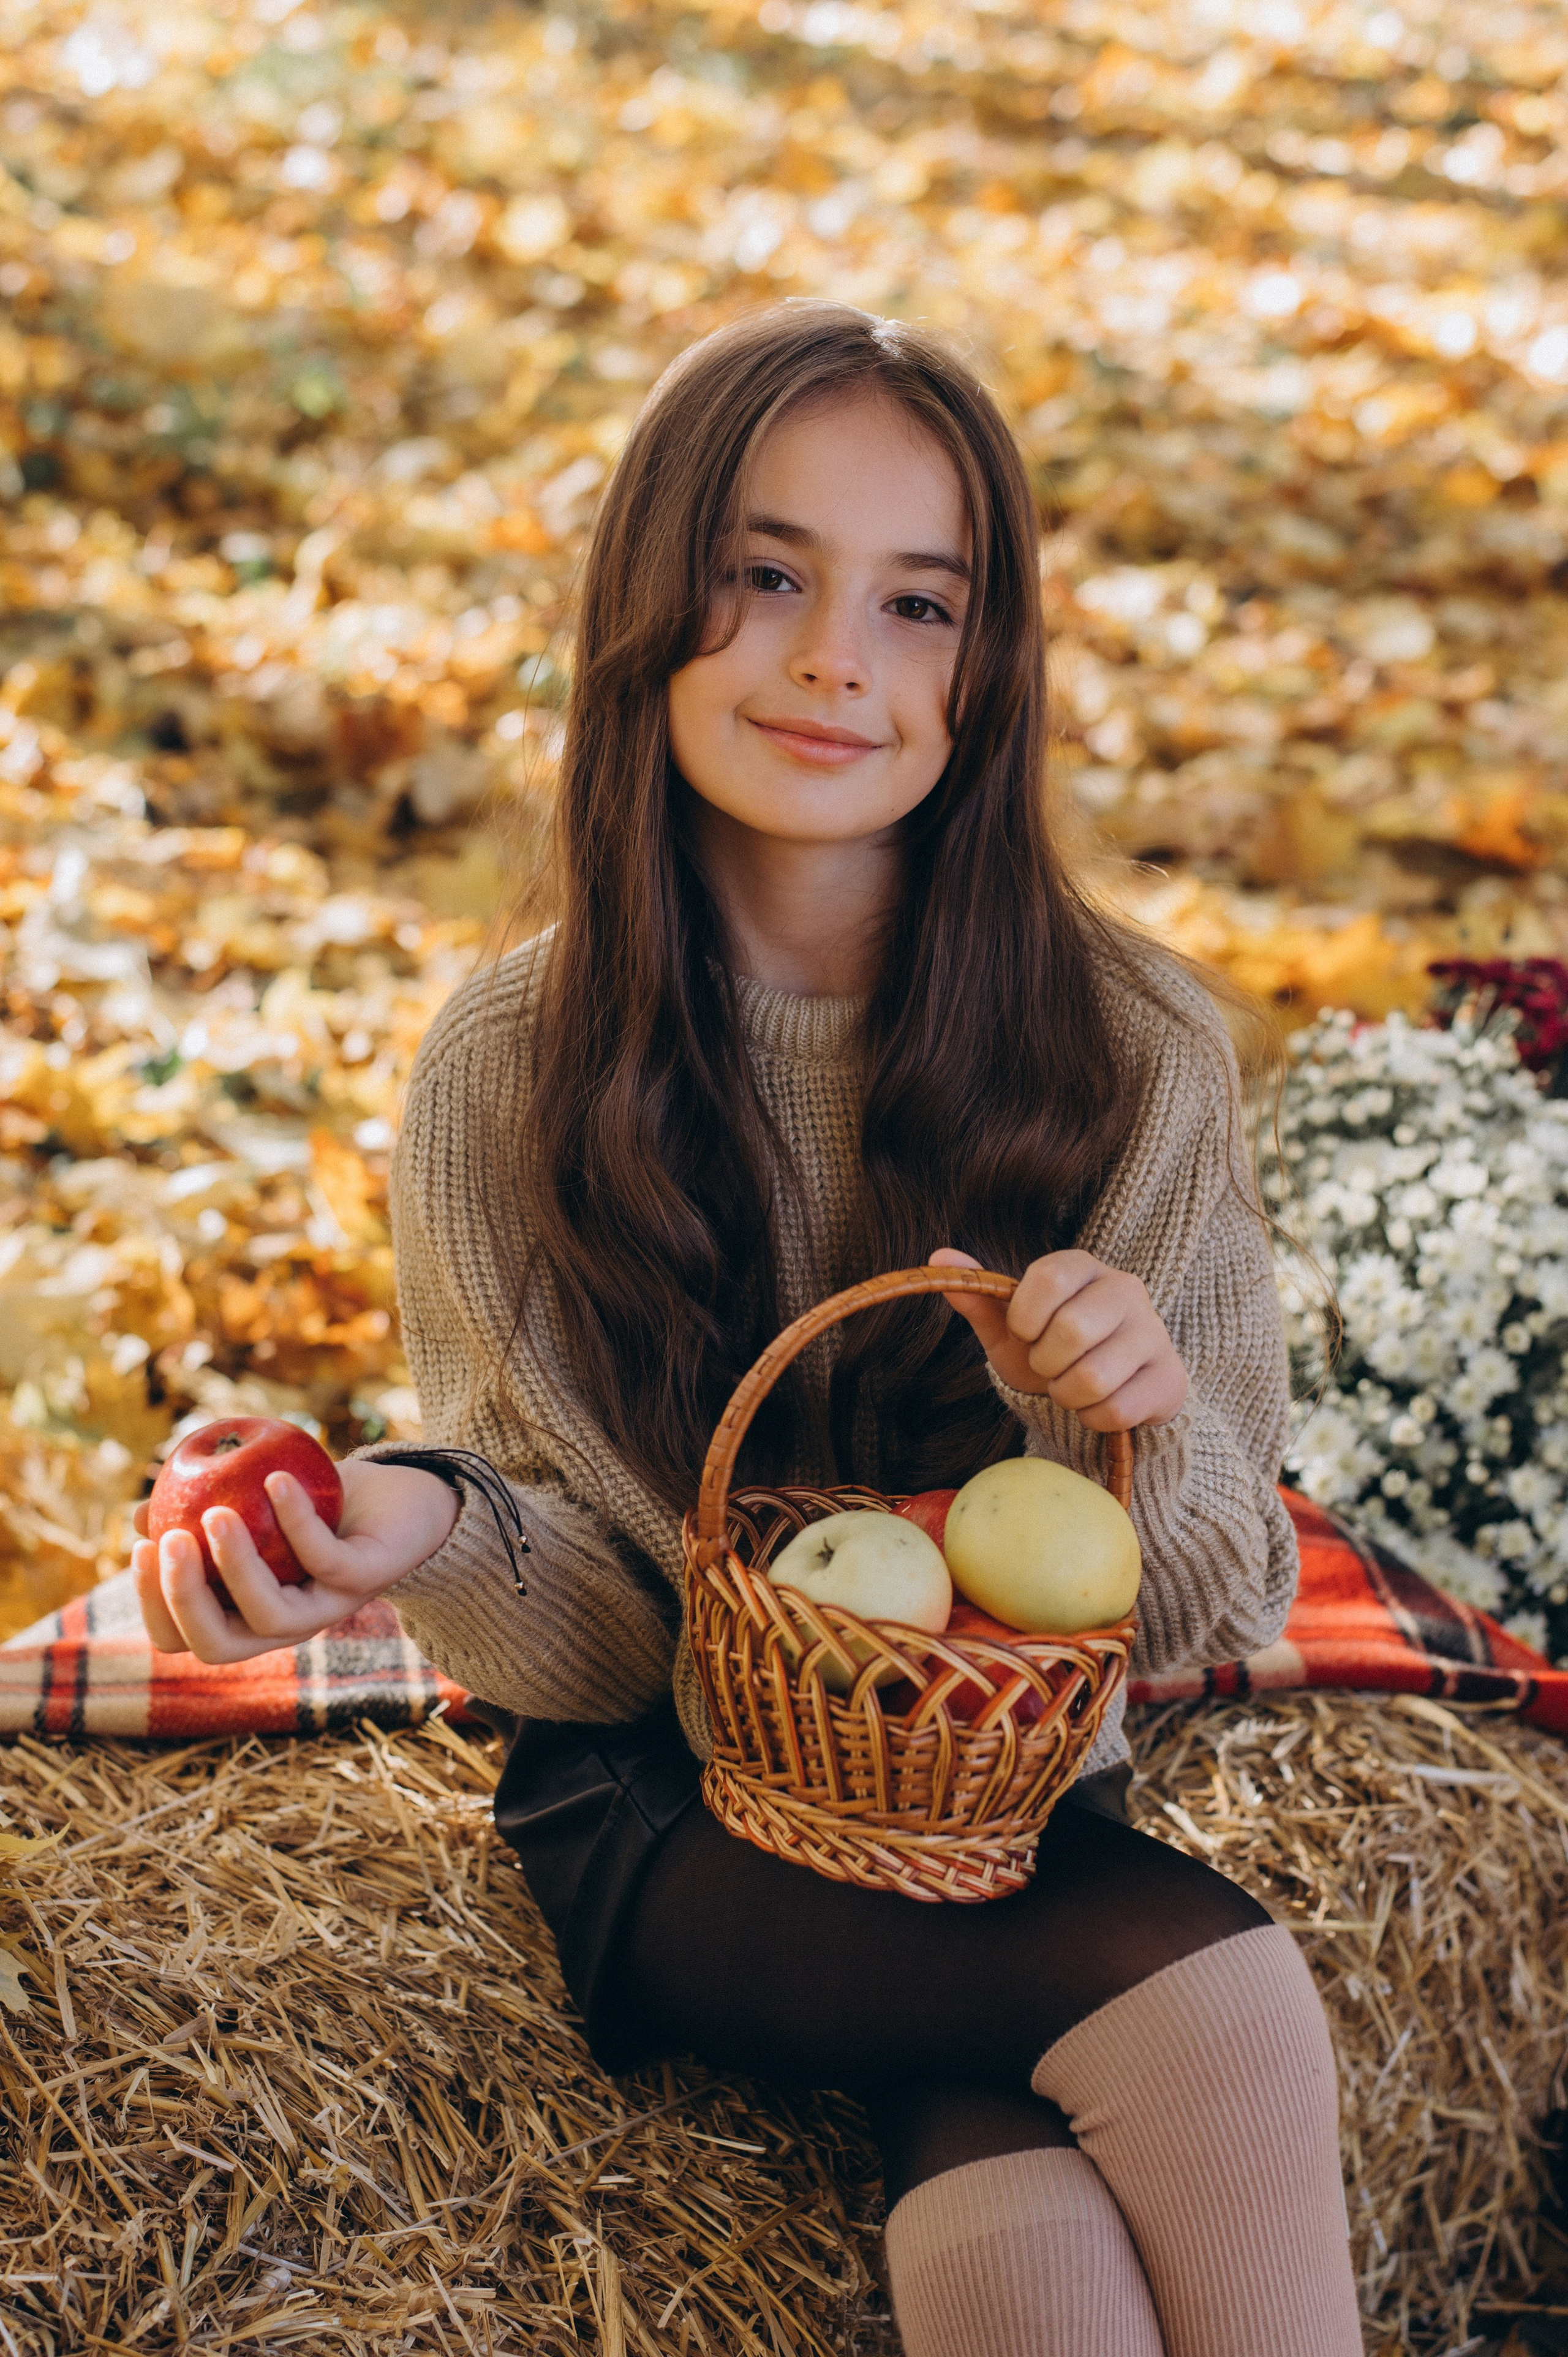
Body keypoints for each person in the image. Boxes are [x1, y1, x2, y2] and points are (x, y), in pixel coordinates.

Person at [133, 303, 1362, 2357]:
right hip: (676, 1816)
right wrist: (416, 1534)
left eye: (916, 604)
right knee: (1220, 2006)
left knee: (1034, 2256)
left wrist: (1117, 1431)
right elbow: (603, 1627)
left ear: (988, 668)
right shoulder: (511, 1067)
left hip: (1003, 1807)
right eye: (766, 576)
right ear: (650, 606)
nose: (832, 662)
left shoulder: (1128, 1045)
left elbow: (1196, 1608)